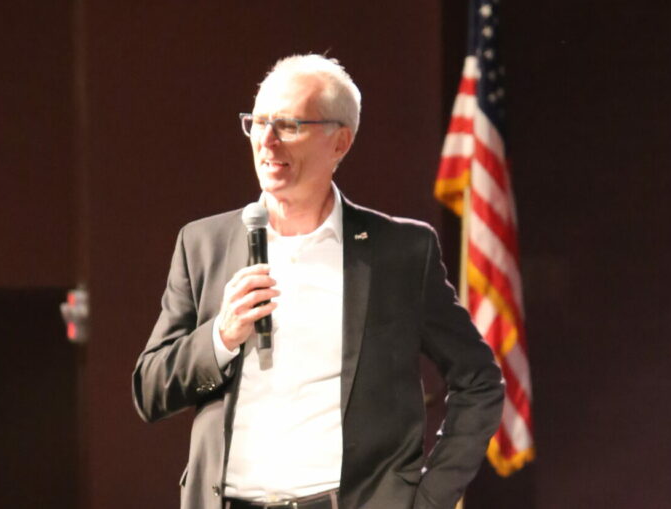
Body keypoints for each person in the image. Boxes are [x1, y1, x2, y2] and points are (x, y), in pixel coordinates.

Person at [132, 54, 504, 509]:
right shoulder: (202, 244)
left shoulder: (400, 254)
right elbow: (149, 391)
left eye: (288, 125)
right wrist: (220, 337)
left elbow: (479, 380)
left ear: (340, 142)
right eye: (257, 122)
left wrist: (429, 499)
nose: (266, 142)